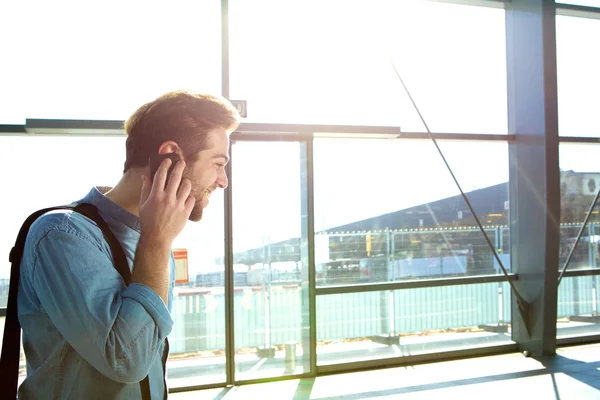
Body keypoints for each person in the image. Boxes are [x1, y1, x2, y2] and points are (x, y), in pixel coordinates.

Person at [16, 90, 240, 398]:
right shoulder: (61, 234)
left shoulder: (153, 237)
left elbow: (149, 357)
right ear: (170, 155)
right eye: (218, 163)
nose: (223, 180)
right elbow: (127, 362)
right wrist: (157, 243)